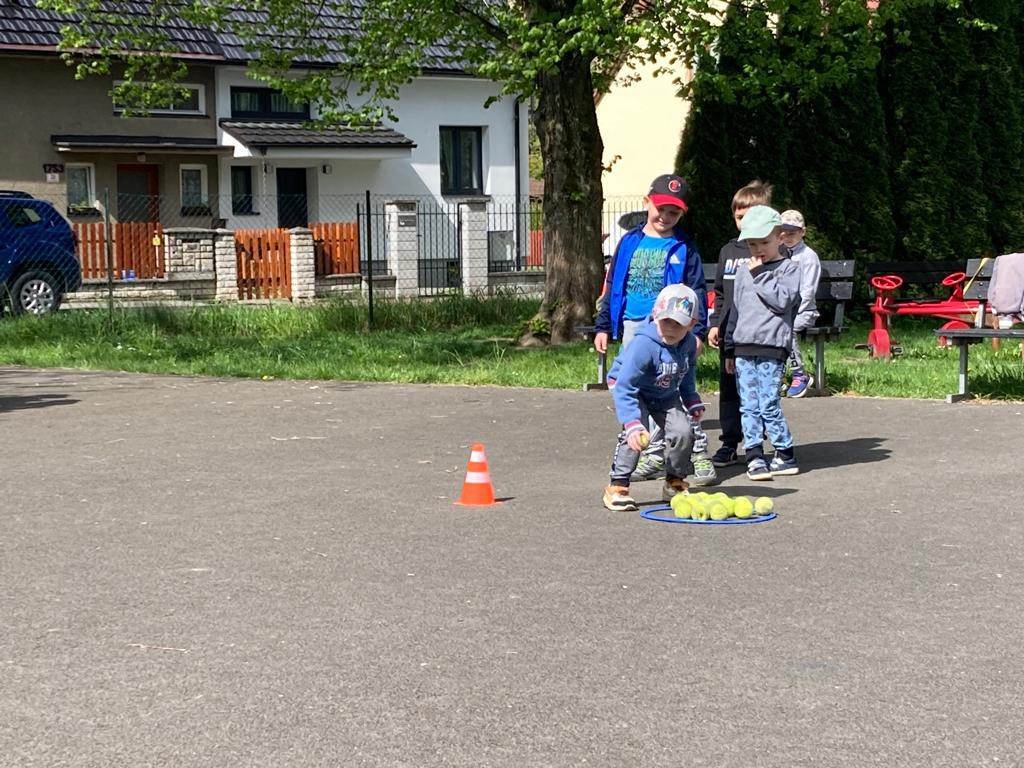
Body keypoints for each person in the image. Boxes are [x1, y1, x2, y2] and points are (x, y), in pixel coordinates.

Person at [593, 174, 713, 486]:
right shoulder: (630, 241)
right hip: (635, 328)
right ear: (648, 202)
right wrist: (604, 325)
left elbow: (696, 290)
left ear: (681, 214)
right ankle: (652, 453)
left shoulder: (684, 246)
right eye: (660, 208)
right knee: (634, 391)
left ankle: (696, 457)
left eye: (673, 212)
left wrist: (697, 331)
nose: (665, 216)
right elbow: (612, 284)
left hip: (673, 329)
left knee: (673, 390)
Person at [603, 284, 704, 511]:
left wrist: (692, 399)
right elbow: (625, 384)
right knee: (637, 435)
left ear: (691, 324)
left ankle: (674, 481)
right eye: (666, 320)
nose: (670, 328)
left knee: (683, 432)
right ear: (655, 316)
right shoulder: (644, 344)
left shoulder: (688, 344)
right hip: (632, 389)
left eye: (678, 323)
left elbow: (685, 374)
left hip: (665, 393)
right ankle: (617, 486)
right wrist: (631, 422)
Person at [723, 205, 802, 481]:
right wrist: (729, 347)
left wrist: (760, 275)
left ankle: (784, 452)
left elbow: (782, 301)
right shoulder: (744, 270)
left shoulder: (789, 269)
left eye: (764, 242)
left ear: (780, 237)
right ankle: (754, 454)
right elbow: (737, 308)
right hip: (744, 345)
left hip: (771, 346)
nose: (758, 249)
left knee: (768, 402)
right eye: (752, 243)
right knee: (748, 404)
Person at [706, 180, 774, 468]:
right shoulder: (728, 251)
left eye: (750, 216)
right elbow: (720, 292)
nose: (744, 222)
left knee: (757, 390)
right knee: (730, 390)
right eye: (739, 217)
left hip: (758, 335)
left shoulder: (765, 251)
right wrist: (714, 323)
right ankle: (730, 442)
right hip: (729, 333)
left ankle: (756, 443)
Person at [779, 209, 822, 398]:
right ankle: (777, 375)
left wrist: (791, 314)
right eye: (783, 231)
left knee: (787, 329)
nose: (787, 236)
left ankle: (799, 374)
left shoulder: (808, 256)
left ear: (802, 232)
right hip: (782, 310)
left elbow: (808, 291)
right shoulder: (778, 253)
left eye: (793, 232)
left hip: (804, 312)